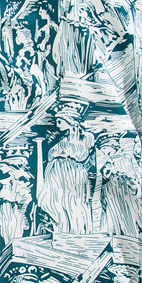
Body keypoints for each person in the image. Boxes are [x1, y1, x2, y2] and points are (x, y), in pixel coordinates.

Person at [37, 100, 95, 234]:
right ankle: (62, 229)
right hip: (55, 177)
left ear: (70, 121)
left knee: (72, 204)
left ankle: (75, 230)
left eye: (60, 121)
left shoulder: (85, 138)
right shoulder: (60, 140)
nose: (57, 124)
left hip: (70, 175)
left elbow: (84, 157)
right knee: (54, 204)